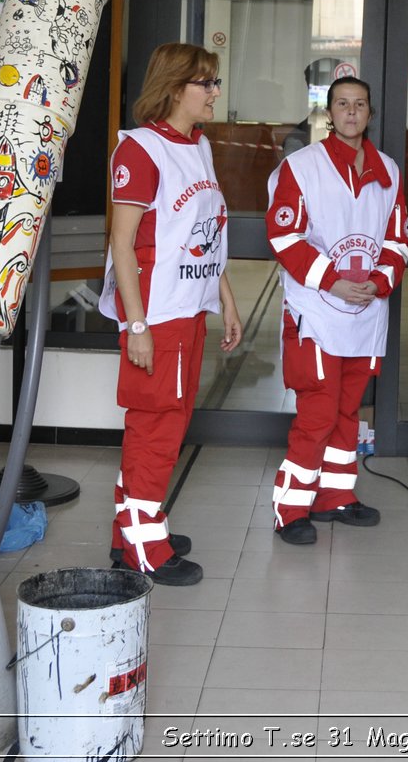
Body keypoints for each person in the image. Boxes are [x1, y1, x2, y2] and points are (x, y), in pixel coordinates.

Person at [100, 43, 243, 586]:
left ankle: (131, 528)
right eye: (205, 83)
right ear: (174, 86)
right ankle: (144, 546)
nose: (214, 92)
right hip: (156, 315)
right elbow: (121, 245)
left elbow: (204, 237)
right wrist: (136, 324)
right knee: (156, 429)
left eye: (214, 81)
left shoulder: (197, 146)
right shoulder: (139, 151)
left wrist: (225, 298)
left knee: (166, 423)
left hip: (189, 309)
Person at [266, 76, 408, 544]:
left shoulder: (388, 169)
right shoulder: (302, 167)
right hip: (318, 314)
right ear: (330, 113)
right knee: (318, 414)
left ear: (370, 112)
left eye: (360, 104)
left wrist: (379, 280)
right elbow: (284, 237)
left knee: (349, 411)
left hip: (365, 312)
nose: (351, 111)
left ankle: (336, 497)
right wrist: (334, 280)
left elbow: (398, 239)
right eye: (343, 104)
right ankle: (290, 510)